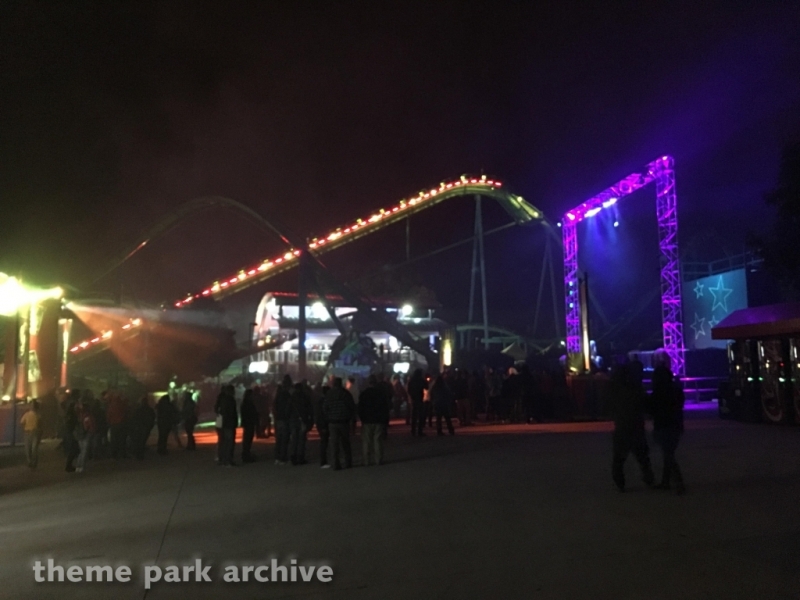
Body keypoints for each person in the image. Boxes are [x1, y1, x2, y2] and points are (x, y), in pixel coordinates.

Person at [607, 364, 655, 492]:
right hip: (636, 425)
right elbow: (646, 404)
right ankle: (649, 478)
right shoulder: (636, 388)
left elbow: (608, 405)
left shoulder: (614, 389)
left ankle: (620, 482)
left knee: (619, 458)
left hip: (622, 426)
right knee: (642, 456)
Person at [650, 365, 686, 494]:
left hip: (663, 425)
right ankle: (667, 481)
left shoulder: (658, 392)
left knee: (668, 455)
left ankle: (678, 482)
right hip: (675, 425)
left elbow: (651, 408)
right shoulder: (676, 390)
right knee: (668, 454)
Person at [323, 377, 355, 470]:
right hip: (344, 421)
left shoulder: (329, 394)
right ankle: (348, 462)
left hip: (333, 422)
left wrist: (328, 416)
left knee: (334, 444)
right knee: (345, 443)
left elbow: (325, 408)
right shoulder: (346, 394)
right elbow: (351, 407)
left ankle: (335, 464)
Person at [359, 375, 390, 466]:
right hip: (378, 419)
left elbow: (360, 408)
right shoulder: (380, 393)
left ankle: (366, 460)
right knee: (378, 440)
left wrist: (362, 418)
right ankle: (378, 459)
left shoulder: (364, 394)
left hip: (367, 420)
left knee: (367, 441)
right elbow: (385, 408)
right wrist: (385, 420)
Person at [288, 382, 313, 465]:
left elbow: (288, 410)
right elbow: (309, 409)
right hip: (302, 420)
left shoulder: (291, 398)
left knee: (294, 439)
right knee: (302, 440)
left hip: (293, 420)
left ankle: (293, 456)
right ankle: (300, 457)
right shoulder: (305, 397)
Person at [273, 375, 292, 465]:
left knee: (279, 439)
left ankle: (277, 457)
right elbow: (288, 407)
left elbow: (275, 406)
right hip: (284, 418)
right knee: (284, 439)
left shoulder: (278, 395)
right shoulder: (287, 395)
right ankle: (283, 457)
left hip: (278, 419)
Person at [219, 385, 238, 466]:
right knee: (229, 442)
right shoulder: (230, 400)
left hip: (225, 423)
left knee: (225, 442)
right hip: (229, 423)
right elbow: (232, 413)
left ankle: (224, 459)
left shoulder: (223, 400)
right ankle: (228, 460)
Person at [74, 401, 95, 474]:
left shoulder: (78, 415)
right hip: (86, 434)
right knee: (84, 451)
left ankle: (78, 465)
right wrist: (92, 431)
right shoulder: (87, 416)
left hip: (79, 434)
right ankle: (81, 466)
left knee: (81, 451)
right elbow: (89, 425)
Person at [106, 391, 129, 459]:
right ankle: (122, 454)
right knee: (122, 440)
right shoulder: (122, 405)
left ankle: (114, 454)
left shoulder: (111, 406)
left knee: (114, 440)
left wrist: (109, 422)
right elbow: (126, 413)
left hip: (113, 425)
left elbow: (108, 416)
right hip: (122, 424)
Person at [20, 400, 41, 469]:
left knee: (29, 448)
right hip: (34, 432)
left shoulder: (27, 414)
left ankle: (31, 462)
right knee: (33, 448)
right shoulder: (37, 415)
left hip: (29, 432)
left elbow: (22, 422)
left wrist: (24, 428)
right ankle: (32, 462)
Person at [240, 388, 259, 463]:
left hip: (248, 423)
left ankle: (246, 454)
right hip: (249, 423)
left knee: (247, 439)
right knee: (247, 439)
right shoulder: (248, 404)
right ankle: (246, 455)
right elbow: (251, 413)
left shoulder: (245, 403)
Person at [315, 379, 331, 468]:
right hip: (323, 424)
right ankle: (323, 461)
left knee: (324, 442)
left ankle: (324, 461)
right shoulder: (324, 401)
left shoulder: (320, 401)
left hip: (320, 424)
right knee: (324, 443)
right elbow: (322, 414)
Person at [407, 369, 427, 437]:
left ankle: (413, 431)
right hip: (420, 398)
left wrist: (412, 395)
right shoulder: (421, 380)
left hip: (414, 399)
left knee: (414, 416)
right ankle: (419, 431)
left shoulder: (411, 380)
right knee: (420, 415)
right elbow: (426, 387)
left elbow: (409, 389)